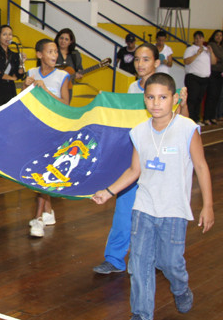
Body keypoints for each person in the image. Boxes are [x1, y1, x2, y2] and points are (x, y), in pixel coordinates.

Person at [92, 73, 214, 320]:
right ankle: (141, 314)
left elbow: (201, 166)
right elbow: (134, 170)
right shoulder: (139, 132)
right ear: (144, 99)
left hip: (174, 210)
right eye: (150, 97)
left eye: (162, 97)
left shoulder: (187, 129)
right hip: (144, 208)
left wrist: (208, 205)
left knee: (170, 263)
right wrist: (108, 192)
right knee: (138, 264)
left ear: (174, 99)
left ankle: (180, 288)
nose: (156, 103)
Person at [93, 43, 189, 275]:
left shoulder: (168, 89)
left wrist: (183, 104)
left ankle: (157, 258)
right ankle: (114, 258)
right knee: (124, 210)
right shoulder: (132, 88)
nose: (140, 64)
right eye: (136, 59)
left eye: (145, 59)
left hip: (160, 163)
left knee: (157, 213)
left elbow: (184, 123)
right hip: (134, 160)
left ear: (156, 62)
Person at [24, 39, 70, 237]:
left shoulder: (63, 76)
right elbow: (24, 100)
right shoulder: (32, 72)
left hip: (54, 130)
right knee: (38, 173)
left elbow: (66, 104)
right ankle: (48, 211)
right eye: (50, 52)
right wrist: (25, 86)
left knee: (43, 174)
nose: (54, 55)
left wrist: (45, 90)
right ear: (39, 54)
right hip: (35, 129)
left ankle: (39, 219)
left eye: (56, 52)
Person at [0, 25, 26, 113]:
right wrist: (12, 78)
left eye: (10, 34)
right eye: (4, 34)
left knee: (10, 115)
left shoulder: (14, 54)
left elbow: (19, 75)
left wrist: (22, 63)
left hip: (9, 90)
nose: (8, 37)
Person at [183, 30, 215, 126]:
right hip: (193, 77)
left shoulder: (206, 50)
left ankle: (196, 119)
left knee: (199, 100)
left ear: (203, 39)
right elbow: (186, 61)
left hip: (204, 78)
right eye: (196, 38)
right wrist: (197, 54)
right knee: (192, 99)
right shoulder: (190, 49)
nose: (198, 40)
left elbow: (213, 62)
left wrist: (211, 52)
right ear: (194, 39)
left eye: (200, 38)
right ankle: (189, 120)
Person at [204, 30, 223, 125]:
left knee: (216, 96)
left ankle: (212, 117)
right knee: (211, 96)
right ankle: (206, 117)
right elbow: (220, 56)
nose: (219, 37)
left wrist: (219, 59)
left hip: (220, 74)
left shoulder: (221, 46)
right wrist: (219, 58)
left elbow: (219, 57)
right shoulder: (212, 45)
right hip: (213, 73)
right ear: (213, 36)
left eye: (221, 35)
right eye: (217, 35)